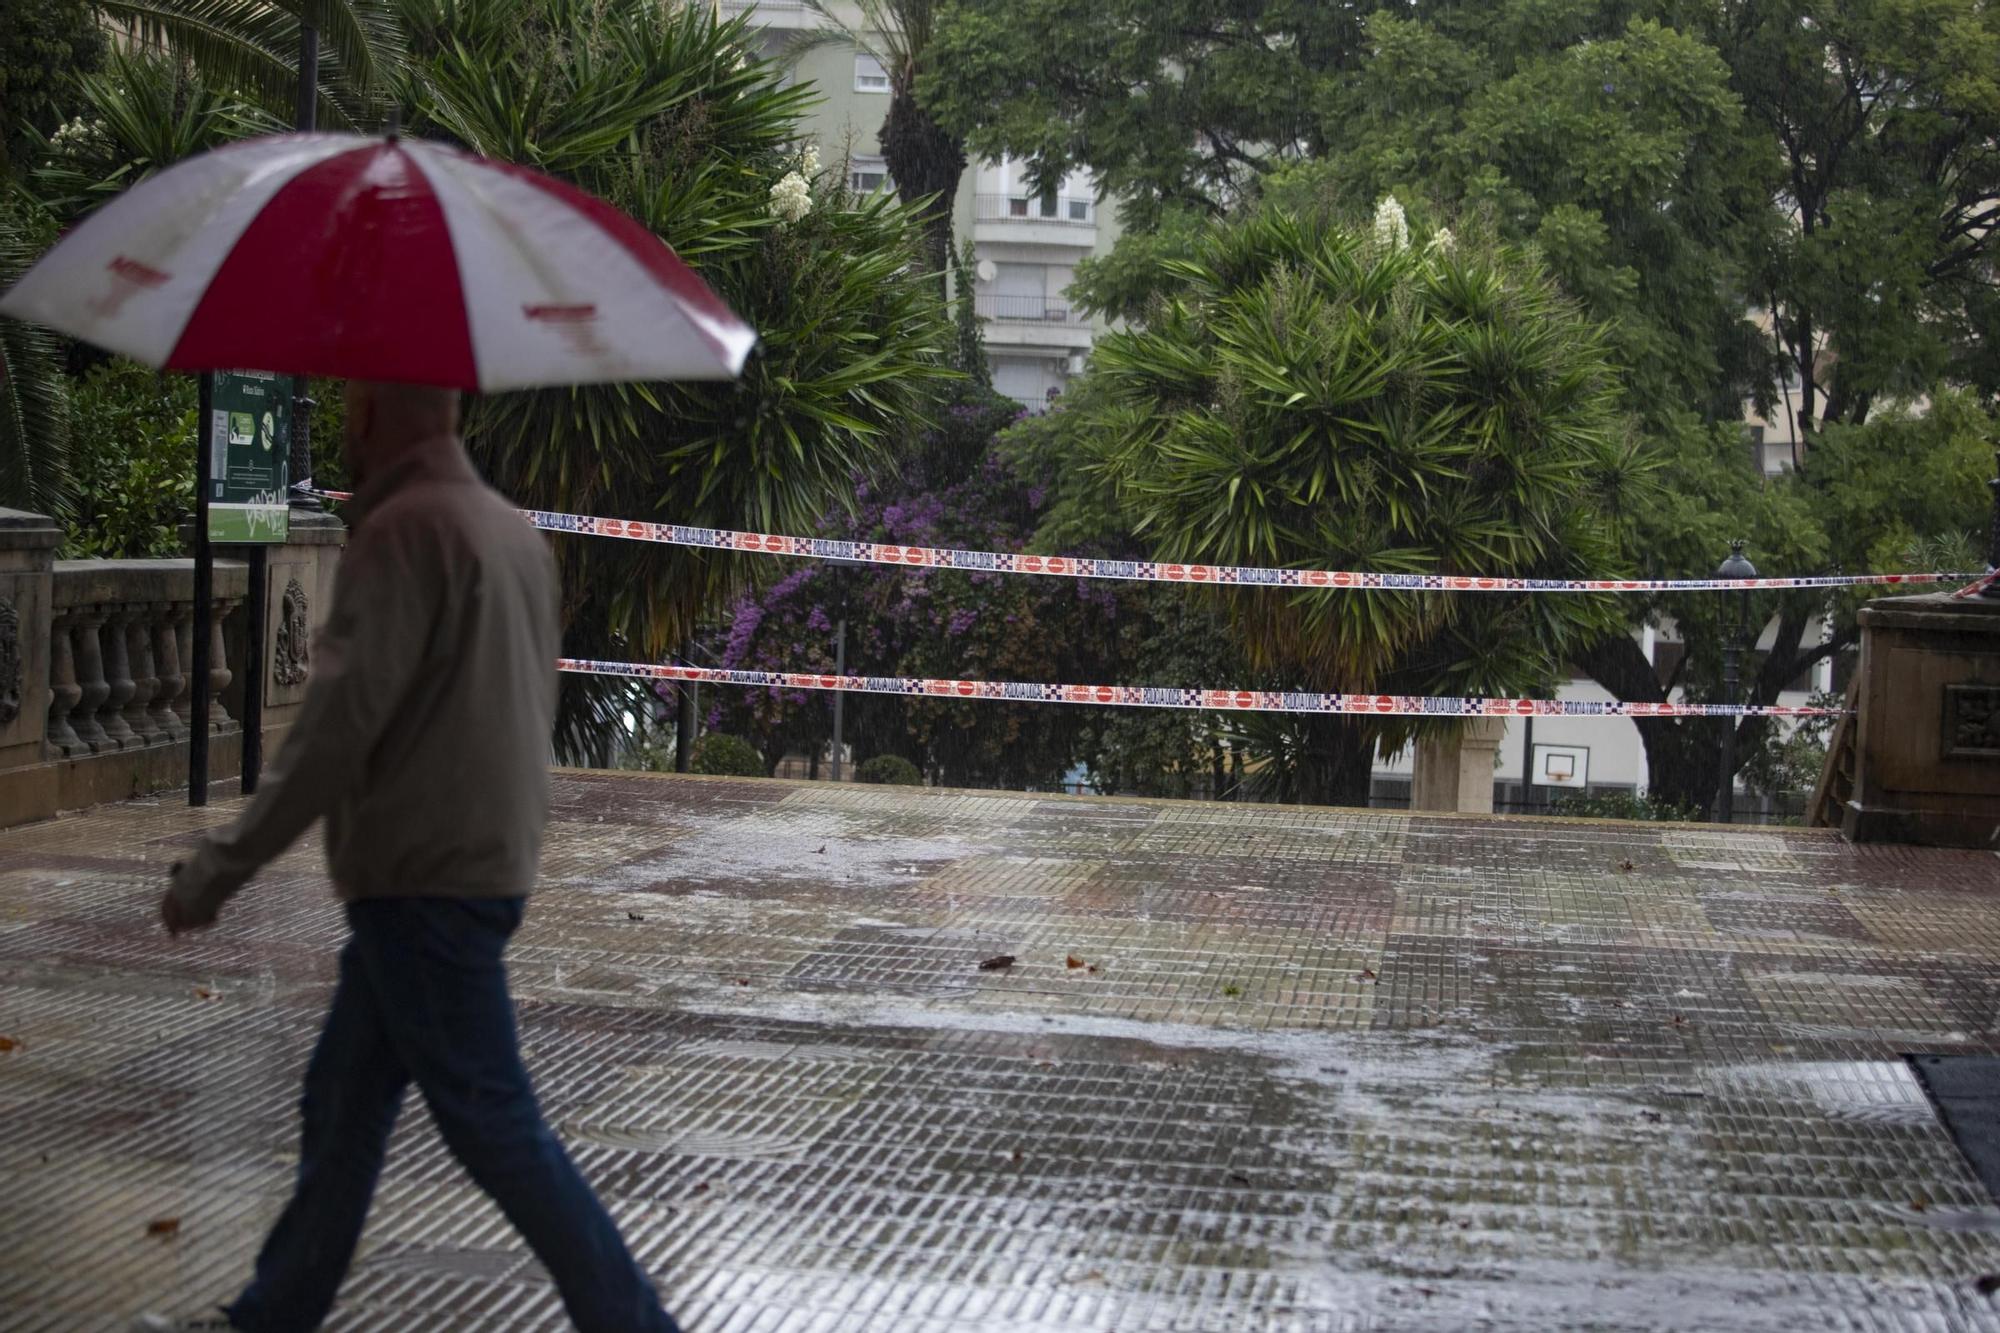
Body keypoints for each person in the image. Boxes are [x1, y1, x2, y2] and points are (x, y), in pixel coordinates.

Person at [134, 381, 681, 1333]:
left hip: (423, 881)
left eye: (351, 402)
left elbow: (331, 734)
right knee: (342, 1101)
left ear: (380, 411)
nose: (342, 418)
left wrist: (221, 865)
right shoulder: (509, 532)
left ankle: (634, 1320)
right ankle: (269, 1315)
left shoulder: (403, 534)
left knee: (493, 1121)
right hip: (471, 867)